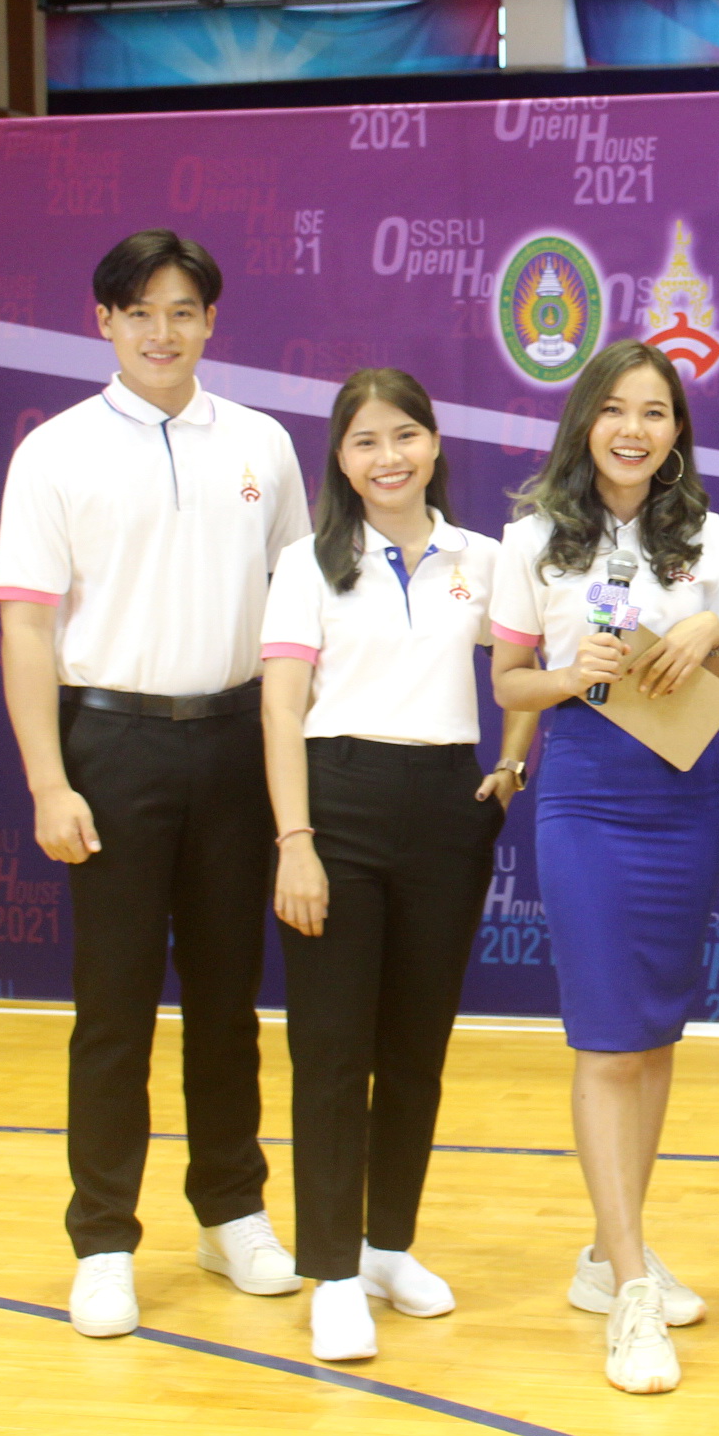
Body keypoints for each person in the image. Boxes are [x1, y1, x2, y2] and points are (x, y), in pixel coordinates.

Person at [0, 228, 312, 1339]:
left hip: (234, 745)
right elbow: (27, 629)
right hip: (111, 748)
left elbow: (297, 612)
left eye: (182, 311)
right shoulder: (56, 452)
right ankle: (103, 1241)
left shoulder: (264, 444)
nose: (161, 332)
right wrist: (49, 782)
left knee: (229, 1001)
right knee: (114, 1008)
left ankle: (232, 1213)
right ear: (105, 322)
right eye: (139, 313)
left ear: (211, 321)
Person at [260, 368, 531, 1364]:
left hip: (447, 807)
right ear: (341, 458)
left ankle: (387, 1247)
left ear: (434, 443)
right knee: (334, 1050)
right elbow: (280, 707)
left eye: (405, 435)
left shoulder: (483, 558)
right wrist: (295, 841)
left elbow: (524, 669)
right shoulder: (307, 562)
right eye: (366, 440)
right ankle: (333, 1272)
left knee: (416, 1047)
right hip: (336, 804)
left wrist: (511, 763)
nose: (389, 457)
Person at [489, 340, 719, 1395]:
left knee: (656, 1030)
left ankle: (609, 1249)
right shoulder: (532, 538)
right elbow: (509, 682)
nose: (634, 430)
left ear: (677, 432)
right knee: (605, 1036)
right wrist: (566, 674)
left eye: (656, 412)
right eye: (616, 410)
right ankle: (631, 1286)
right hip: (587, 797)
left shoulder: (704, 534)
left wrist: (706, 631)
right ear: (585, 420)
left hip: (681, 791)